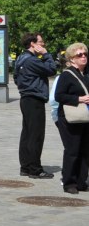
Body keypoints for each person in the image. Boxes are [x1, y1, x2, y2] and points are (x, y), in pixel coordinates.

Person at [16, 32, 57, 179]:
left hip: (26, 98)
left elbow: (16, 78)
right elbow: (52, 69)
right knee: (36, 135)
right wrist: (46, 54)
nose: (43, 44)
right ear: (32, 44)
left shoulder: (21, 58)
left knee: (27, 134)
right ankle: (35, 169)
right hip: (34, 99)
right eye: (41, 42)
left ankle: (25, 167)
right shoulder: (32, 60)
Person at [53, 43, 89, 194]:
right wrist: (79, 99)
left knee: (85, 150)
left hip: (85, 117)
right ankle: (69, 182)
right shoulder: (67, 75)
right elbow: (59, 96)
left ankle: (82, 181)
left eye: (85, 54)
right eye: (79, 55)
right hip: (70, 117)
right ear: (71, 59)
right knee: (72, 150)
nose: (83, 57)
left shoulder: (86, 74)